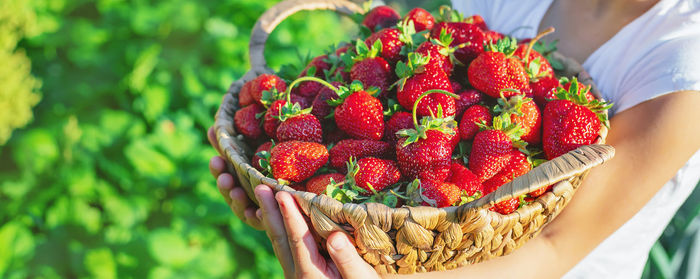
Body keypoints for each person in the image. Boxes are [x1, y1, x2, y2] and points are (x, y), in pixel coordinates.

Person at [209, 0, 700, 277]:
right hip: (401, 237)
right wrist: (302, 209)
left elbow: (553, 246)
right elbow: (421, 44)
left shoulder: (684, 57)